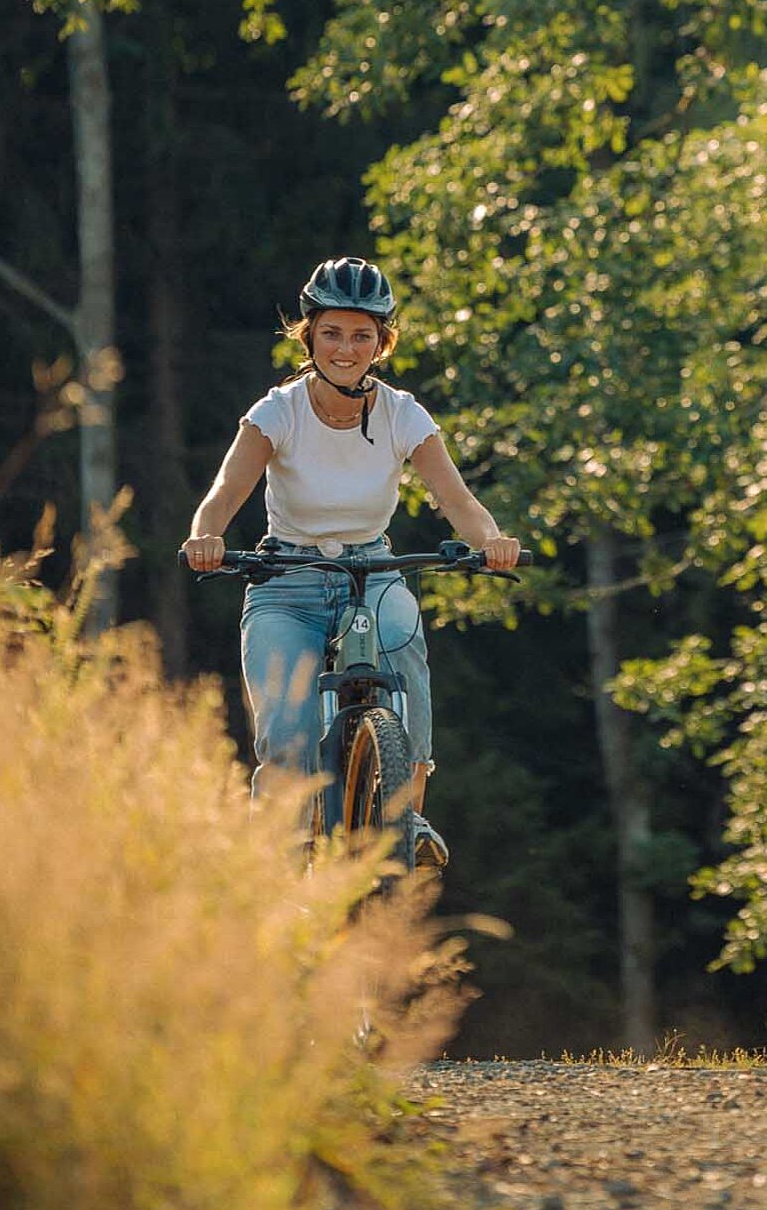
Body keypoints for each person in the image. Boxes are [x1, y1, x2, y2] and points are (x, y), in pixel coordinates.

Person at [182, 256, 521, 866]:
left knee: (405, 655)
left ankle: (408, 817)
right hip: (286, 580)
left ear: (381, 343)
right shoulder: (277, 412)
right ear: (309, 337)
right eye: (332, 333)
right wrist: (205, 536)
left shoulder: (402, 414)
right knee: (286, 734)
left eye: (361, 335)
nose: (345, 349)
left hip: (373, 573)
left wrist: (491, 541)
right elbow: (225, 494)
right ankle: (279, 863)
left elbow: (456, 500)